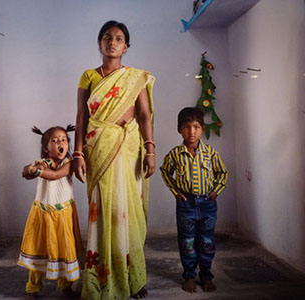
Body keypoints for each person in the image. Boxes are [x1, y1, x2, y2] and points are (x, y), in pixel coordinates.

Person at [73, 20, 156, 300]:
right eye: (107, 37)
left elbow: (144, 115)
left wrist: (151, 150)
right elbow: (81, 118)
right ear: (100, 43)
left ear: (126, 46)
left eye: (118, 38)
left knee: (128, 212)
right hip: (98, 148)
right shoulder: (88, 76)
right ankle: (101, 279)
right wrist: (78, 153)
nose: (112, 42)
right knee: (103, 212)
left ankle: (134, 278)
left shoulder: (135, 77)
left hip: (128, 148)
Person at [160, 107, 228, 293]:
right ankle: (189, 275)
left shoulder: (210, 153)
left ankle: (206, 275)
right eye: (187, 127)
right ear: (179, 129)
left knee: (206, 241)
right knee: (187, 241)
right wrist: (175, 191)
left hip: (207, 204)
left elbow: (222, 172)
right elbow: (165, 171)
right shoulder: (175, 154)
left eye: (196, 127)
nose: (192, 131)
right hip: (186, 205)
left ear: (202, 129)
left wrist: (216, 191)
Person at [18, 125, 83, 297]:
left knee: (65, 248)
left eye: (63, 140)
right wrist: (28, 170)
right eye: (54, 141)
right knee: (38, 249)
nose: (60, 143)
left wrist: (37, 171)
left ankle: (65, 285)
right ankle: (33, 286)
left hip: (62, 215)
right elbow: (28, 172)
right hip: (42, 214)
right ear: (46, 148)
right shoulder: (43, 163)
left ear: (68, 145)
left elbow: (54, 175)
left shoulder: (69, 164)